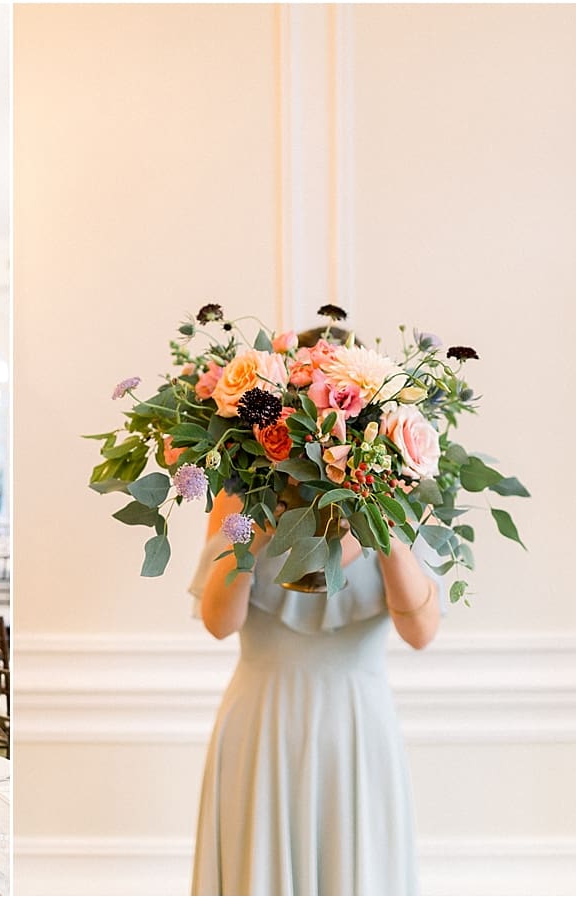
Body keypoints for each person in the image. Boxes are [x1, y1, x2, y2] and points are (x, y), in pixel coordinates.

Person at [189, 335, 444, 896]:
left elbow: (420, 631)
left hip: (358, 726)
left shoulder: (403, 495)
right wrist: (256, 521)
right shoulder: (241, 496)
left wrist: (380, 514)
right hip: (261, 723)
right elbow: (217, 621)